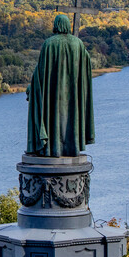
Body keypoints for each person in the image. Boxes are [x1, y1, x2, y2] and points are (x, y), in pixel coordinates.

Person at [26, 14, 95, 157]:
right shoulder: (78, 44)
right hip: (73, 94)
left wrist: (32, 87)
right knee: (71, 117)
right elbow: (86, 63)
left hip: (53, 94)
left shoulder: (49, 44)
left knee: (52, 115)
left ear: (56, 25)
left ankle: (52, 148)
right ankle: (72, 147)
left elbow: (41, 71)